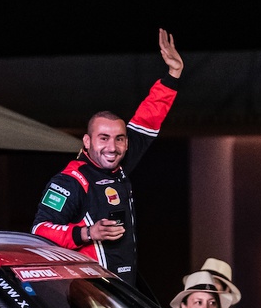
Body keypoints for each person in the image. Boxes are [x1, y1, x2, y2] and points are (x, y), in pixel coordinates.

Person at [31, 30, 184, 285]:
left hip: (123, 288)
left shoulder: (118, 161)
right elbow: (39, 230)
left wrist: (173, 74)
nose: (112, 147)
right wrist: (87, 233)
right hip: (89, 290)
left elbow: (148, 117)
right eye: (103, 138)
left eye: (119, 139)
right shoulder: (71, 181)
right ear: (87, 141)